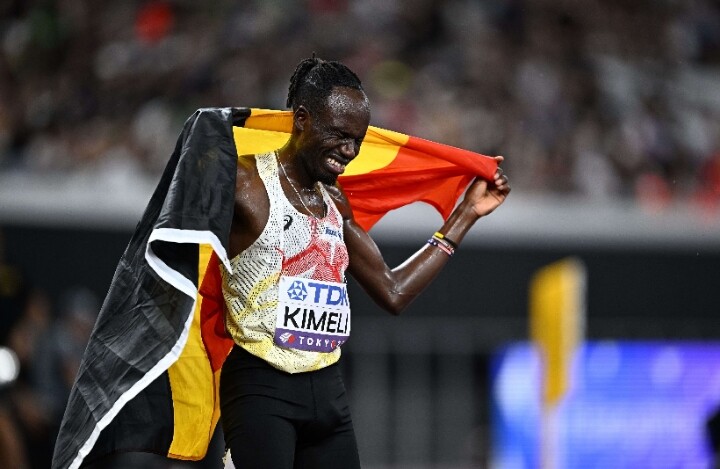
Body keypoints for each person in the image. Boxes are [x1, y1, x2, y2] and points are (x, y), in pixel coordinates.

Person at [218, 56, 510, 469]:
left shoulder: (336, 202)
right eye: (340, 135)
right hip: (261, 385)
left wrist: (465, 214)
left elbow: (393, 292)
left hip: (327, 390)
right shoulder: (244, 183)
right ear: (301, 120)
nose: (349, 151)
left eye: (357, 140)